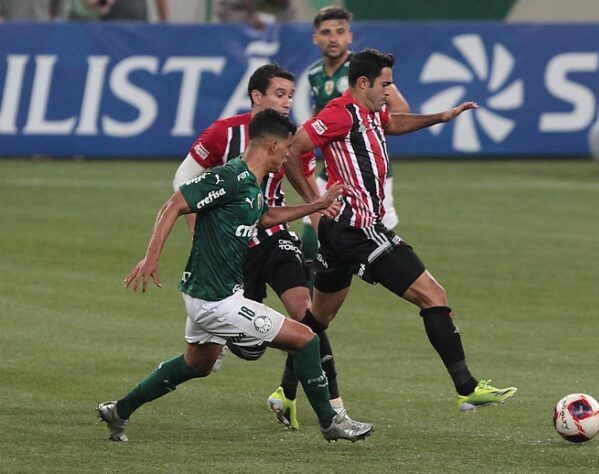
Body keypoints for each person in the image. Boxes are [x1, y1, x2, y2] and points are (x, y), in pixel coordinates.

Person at [97, 109, 374, 443]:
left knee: (196, 364)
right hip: (217, 302)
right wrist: (151, 257)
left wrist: (315, 205)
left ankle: (119, 411)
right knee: (306, 339)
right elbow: (174, 204)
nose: (289, 155)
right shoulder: (229, 177)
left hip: (205, 293)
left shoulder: (251, 185)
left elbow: (265, 216)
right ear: (272, 145)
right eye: (286, 148)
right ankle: (332, 423)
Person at [283, 48, 518, 413]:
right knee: (433, 296)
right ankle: (467, 388)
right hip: (358, 230)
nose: (389, 92)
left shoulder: (371, 112)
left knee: (318, 319)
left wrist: (441, 116)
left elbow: (391, 124)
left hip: (341, 232)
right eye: (385, 85)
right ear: (364, 83)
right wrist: (314, 201)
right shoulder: (340, 113)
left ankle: (284, 393)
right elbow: (293, 150)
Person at [173, 64, 345, 430]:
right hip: (235, 250)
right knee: (241, 350)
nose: (286, 102)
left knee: (306, 315)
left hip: (275, 236)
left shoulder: (292, 137)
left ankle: (335, 407)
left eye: (290, 96)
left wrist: (324, 229)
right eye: (279, 94)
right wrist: (200, 236)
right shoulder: (223, 133)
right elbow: (184, 180)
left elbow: (306, 185)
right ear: (257, 96)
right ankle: (271, 382)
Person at [299, 6, 409, 266]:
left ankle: (409, 280)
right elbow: (320, 118)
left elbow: (400, 111)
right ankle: (311, 305)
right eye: (326, 32)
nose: (333, 38)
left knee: (380, 236)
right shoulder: (315, 74)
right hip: (333, 171)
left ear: (349, 36)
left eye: (339, 31)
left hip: (368, 173)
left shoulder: (365, 71)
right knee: (311, 237)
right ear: (316, 38)